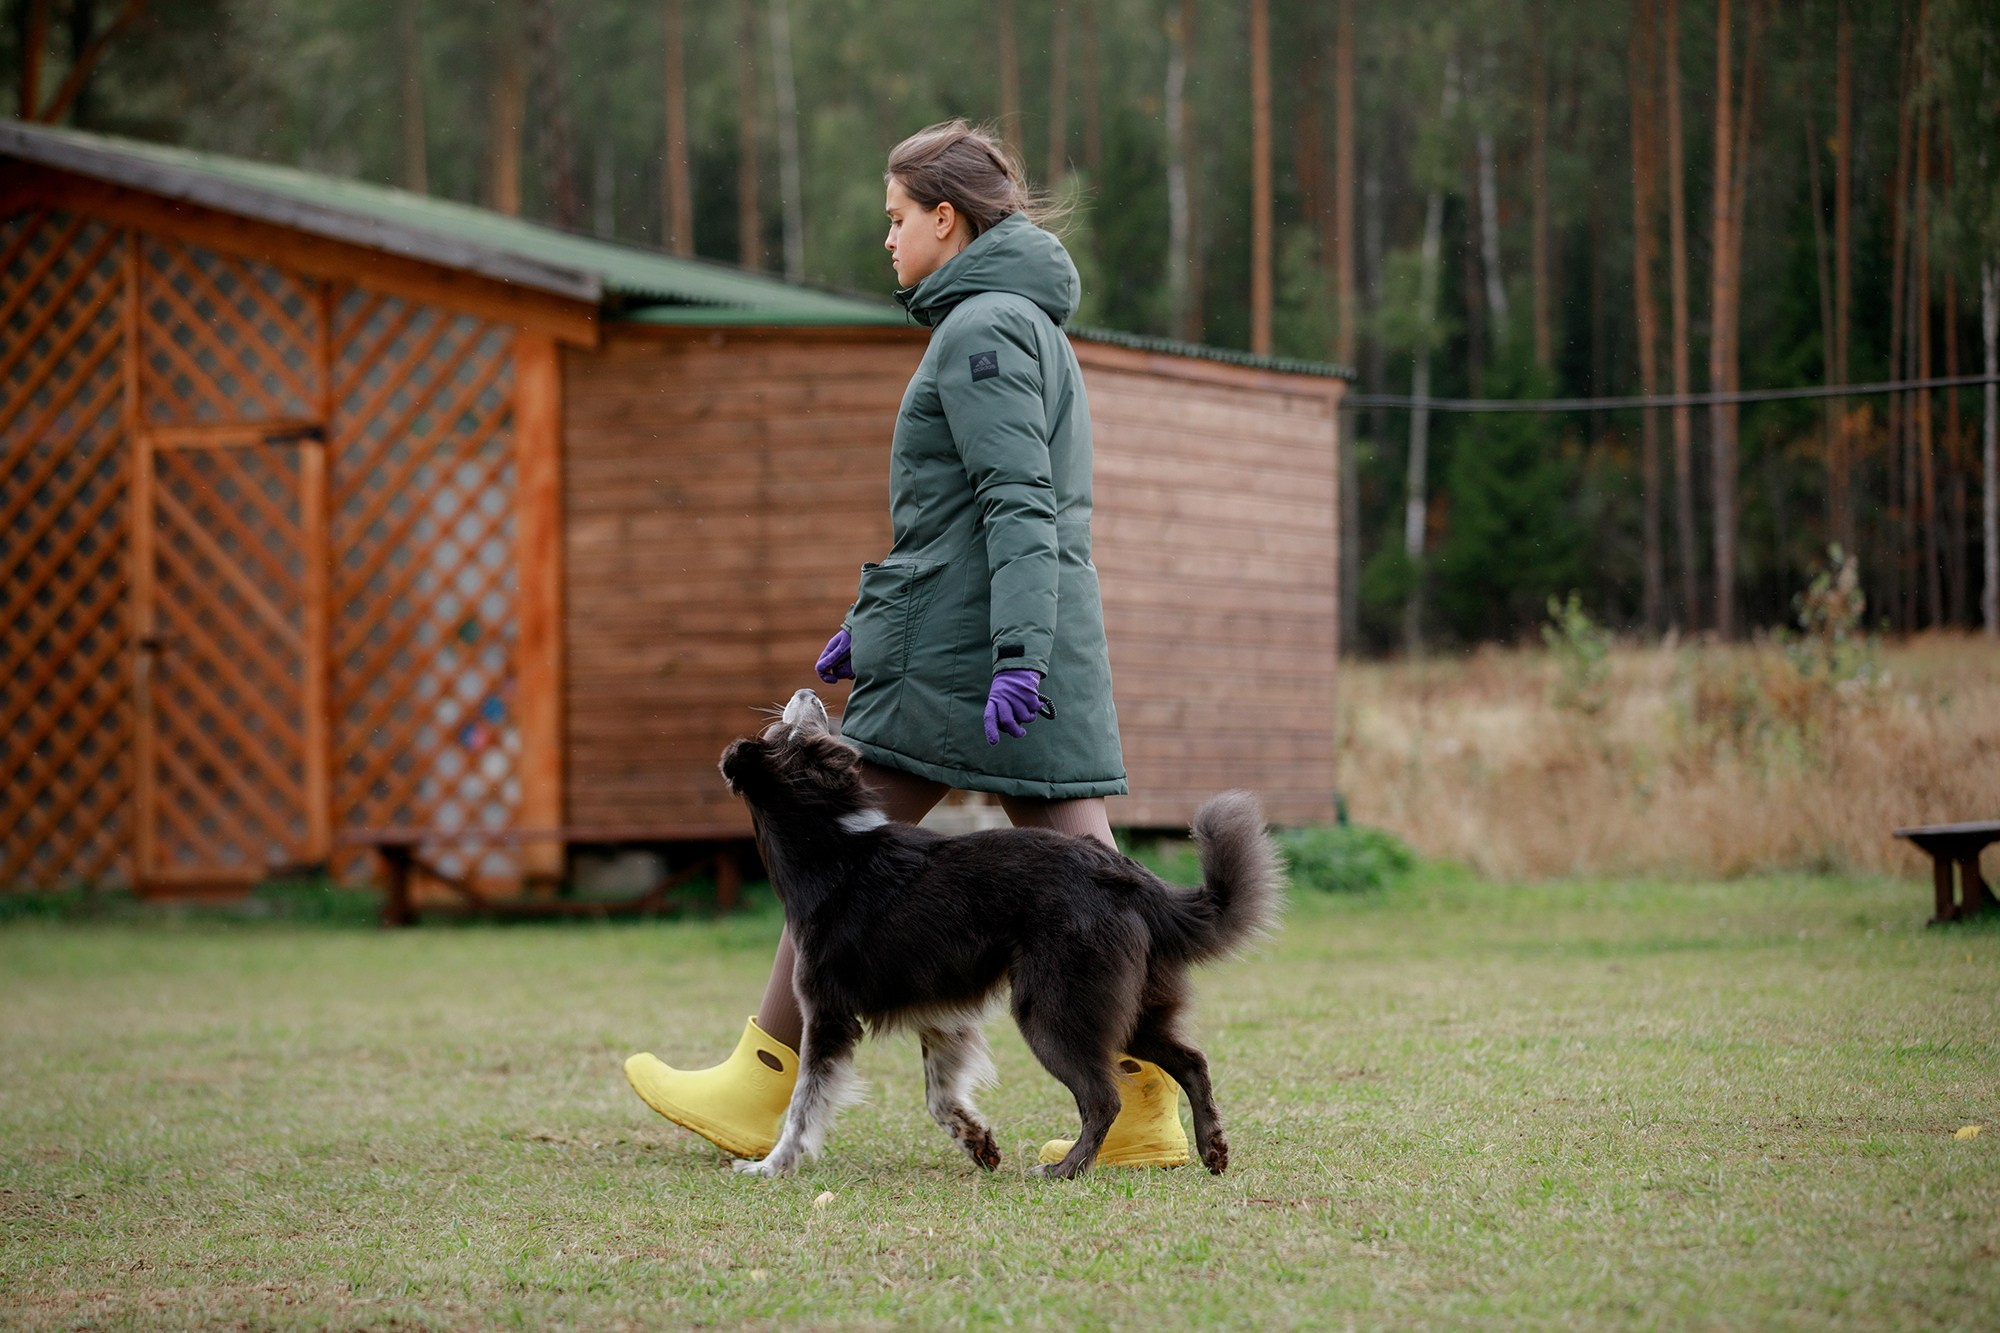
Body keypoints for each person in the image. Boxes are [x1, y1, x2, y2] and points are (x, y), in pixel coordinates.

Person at [624, 120, 1188, 1170]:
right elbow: (966, 525)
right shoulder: (1020, 322)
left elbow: (1015, 502)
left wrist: (1012, 653)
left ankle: (760, 1087)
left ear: (945, 217)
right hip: (1007, 636)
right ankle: (1145, 1106)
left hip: (969, 657)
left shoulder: (978, 330)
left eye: (894, 219)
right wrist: (878, 624)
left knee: (834, 853)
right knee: (1093, 876)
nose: (885, 241)